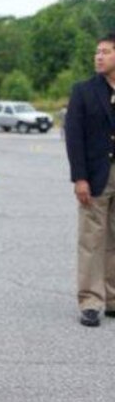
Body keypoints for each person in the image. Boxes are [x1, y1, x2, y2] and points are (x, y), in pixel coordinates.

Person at [65, 33, 115, 328]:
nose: (99, 56)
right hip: (95, 176)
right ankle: (90, 301)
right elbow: (74, 137)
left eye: (106, 52)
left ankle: (111, 298)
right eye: (97, 52)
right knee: (92, 240)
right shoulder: (83, 91)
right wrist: (79, 177)